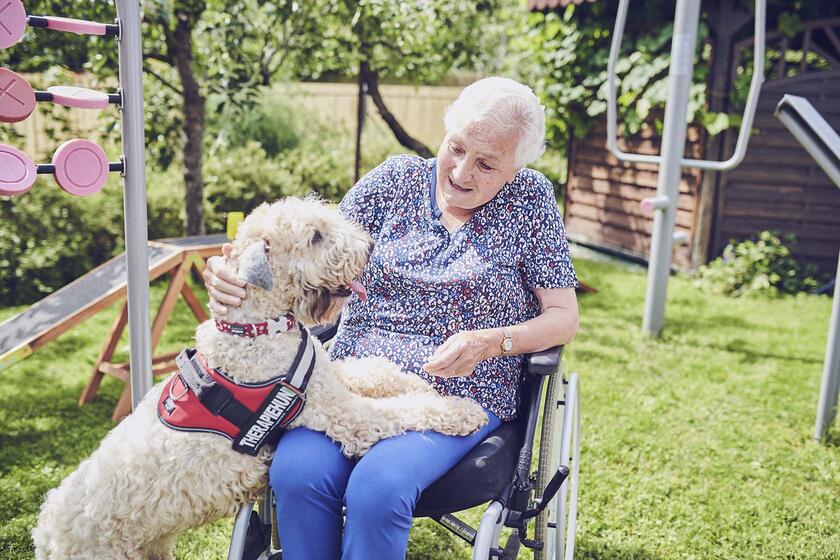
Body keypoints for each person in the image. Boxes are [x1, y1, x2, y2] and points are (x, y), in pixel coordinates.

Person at [203, 76, 580, 560]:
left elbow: (562, 316)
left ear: (516, 168)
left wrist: (492, 341)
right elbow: (300, 252)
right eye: (456, 147)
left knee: (378, 489)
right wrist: (228, 275)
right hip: (347, 381)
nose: (462, 172)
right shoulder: (393, 181)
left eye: (486, 164)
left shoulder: (530, 202)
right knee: (296, 474)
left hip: (459, 390)